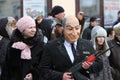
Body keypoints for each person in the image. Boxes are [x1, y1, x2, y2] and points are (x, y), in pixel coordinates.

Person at [39, 16, 103, 80]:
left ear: (80, 28)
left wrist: (89, 66)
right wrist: (61, 76)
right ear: (63, 29)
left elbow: (99, 65)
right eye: (70, 29)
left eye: (77, 28)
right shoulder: (51, 46)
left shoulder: (87, 44)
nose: (74, 33)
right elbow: (43, 70)